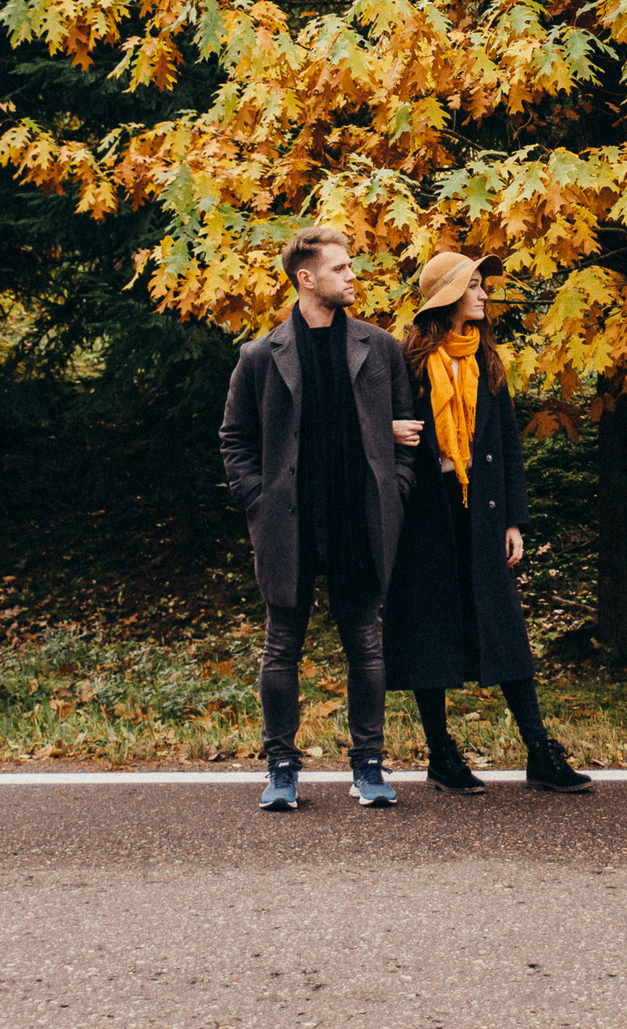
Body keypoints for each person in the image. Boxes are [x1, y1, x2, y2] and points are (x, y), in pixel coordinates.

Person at [220, 225, 424, 812]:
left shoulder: (378, 347)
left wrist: (395, 490)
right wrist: (258, 501)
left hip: (360, 517)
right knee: (281, 646)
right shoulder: (260, 356)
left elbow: (408, 433)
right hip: (290, 521)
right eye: (340, 268)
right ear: (306, 279)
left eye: (350, 266)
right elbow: (235, 440)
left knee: (366, 644)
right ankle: (281, 768)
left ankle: (368, 765)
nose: (352, 276)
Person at [385, 250, 593, 795]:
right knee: (430, 629)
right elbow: (378, 428)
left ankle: (539, 751)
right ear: (448, 298)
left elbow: (507, 447)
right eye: (473, 286)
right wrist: (389, 433)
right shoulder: (406, 363)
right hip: (425, 515)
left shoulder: (488, 361)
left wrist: (514, 522)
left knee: (504, 627)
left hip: (482, 511)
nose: (483, 295)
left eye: (482, 285)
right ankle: (441, 755)